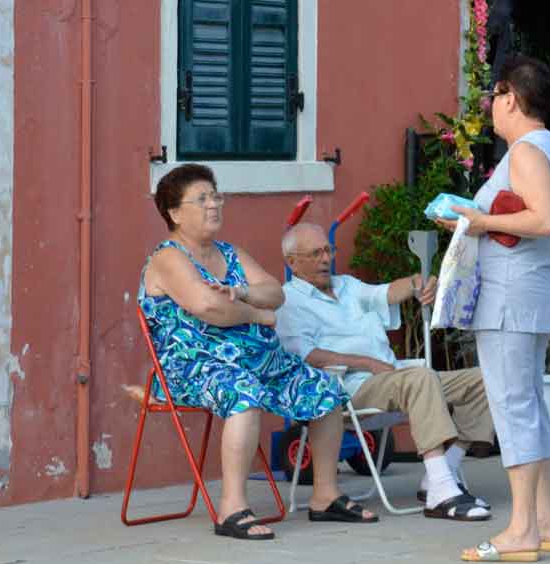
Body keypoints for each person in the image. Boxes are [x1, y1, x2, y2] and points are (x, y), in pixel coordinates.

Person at [138, 164, 377, 542]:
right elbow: (207, 307)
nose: (213, 205)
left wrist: (245, 294)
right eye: (201, 199)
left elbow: (276, 293)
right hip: (197, 367)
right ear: (174, 213)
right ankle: (232, 508)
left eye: (215, 196)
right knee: (243, 395)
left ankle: (325, 496)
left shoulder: (230, 254)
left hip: (260, 359)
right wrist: (255, 313)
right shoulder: (168, 258)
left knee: (324, 390)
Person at [438, 55, 550, 562]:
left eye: (494, 97)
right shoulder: (546, 148)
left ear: (510, 98)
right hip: (528, 293)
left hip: (510, 297)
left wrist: (476, 222)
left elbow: (546, 219)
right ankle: (544, 521)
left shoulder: (525, 152)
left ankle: (521, 532)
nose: (491, 107)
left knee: (514, 407)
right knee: (530, 405)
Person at [276, 221, 495, 522]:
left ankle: (443, 473)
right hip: (352, 386)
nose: (325, 259)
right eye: (315, 253)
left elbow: (386, 293)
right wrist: (366, 363)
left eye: (328, 250)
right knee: (420, 378)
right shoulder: (288, 301)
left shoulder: (348, 286)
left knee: (486, 379)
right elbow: (307, 355)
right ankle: (442, 493)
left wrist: (417, 283)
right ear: (292, 262)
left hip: (395, 376)